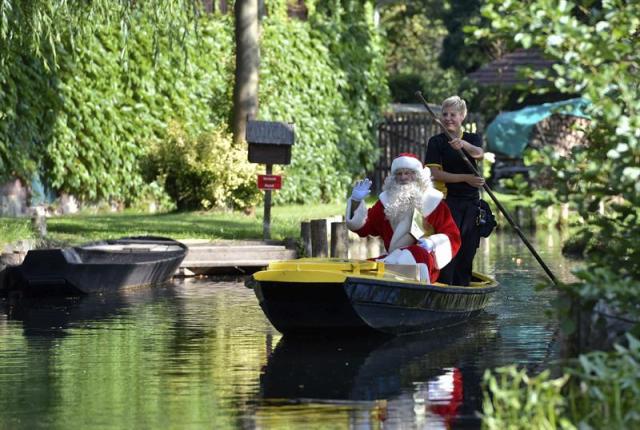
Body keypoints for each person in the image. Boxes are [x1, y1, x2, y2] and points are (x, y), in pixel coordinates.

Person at [345, 153, 461, 284]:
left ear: (418, 176)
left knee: (416, 252)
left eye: (408, 173)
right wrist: (356, 201)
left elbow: (453, 236)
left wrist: (433, 243)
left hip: (424, 262)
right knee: (363, 268)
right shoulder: (386, 202)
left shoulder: (433, 202)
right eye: (399, 174)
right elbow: (365, 227)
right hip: (392, 259)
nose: (403, 178)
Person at [424, 96, 484, 286]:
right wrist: (466, 178)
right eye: (445, 114)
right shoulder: (436, 142)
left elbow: (479, 154)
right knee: (448, 247)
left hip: (471, 202)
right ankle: (445, 286)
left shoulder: (472, 138)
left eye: (453, 114)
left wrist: (462, 144)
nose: (448, 118)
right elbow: (435, 174)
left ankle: (463, 286)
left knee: (468, 249)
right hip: (448, 202)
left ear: (462, 116)